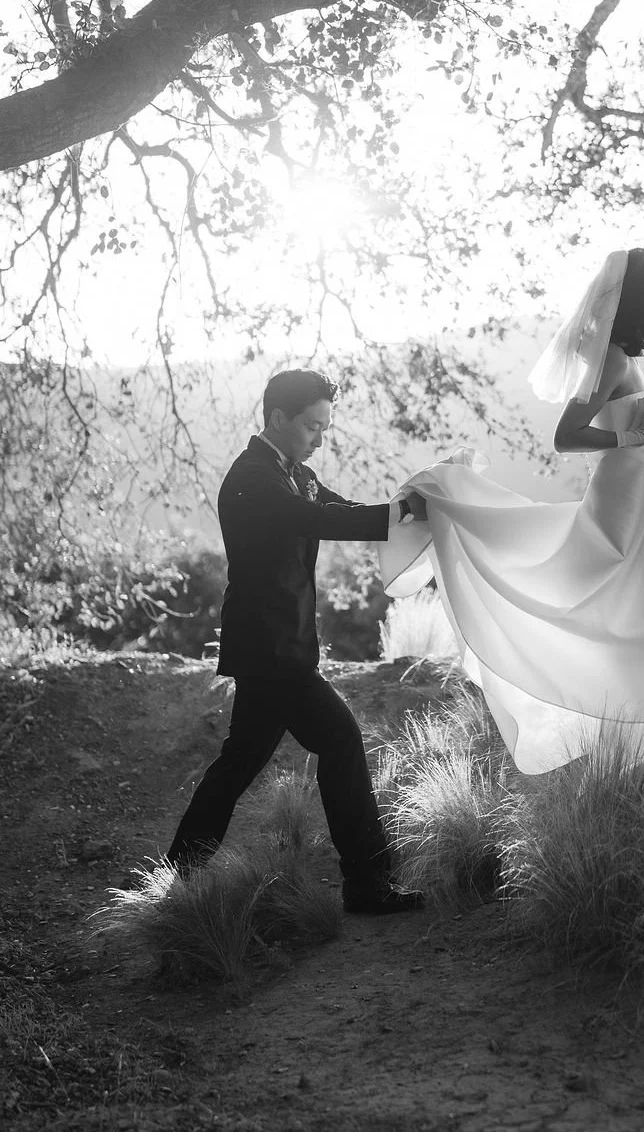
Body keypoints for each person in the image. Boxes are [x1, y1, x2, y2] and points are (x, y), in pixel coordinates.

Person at [379, 249, 644, 787]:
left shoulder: (626, 359)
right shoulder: (611, 359)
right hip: (622, 519)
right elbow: (567, 436)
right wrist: (628, 437)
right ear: (643, 301)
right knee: (642, 618)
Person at [167, 368, 428, 915]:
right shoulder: (252, 480)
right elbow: (316, 519)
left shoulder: (295, 472)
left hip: (282, 650)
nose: (320, 437)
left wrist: (413, 508)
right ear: (278, 418)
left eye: (326, 427)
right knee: (340, 740)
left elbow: (345, 510)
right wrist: (399, 514)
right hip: (269, 652)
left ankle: (177, 877)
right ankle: (366, 884)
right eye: (313, 425)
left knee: (239, 763)